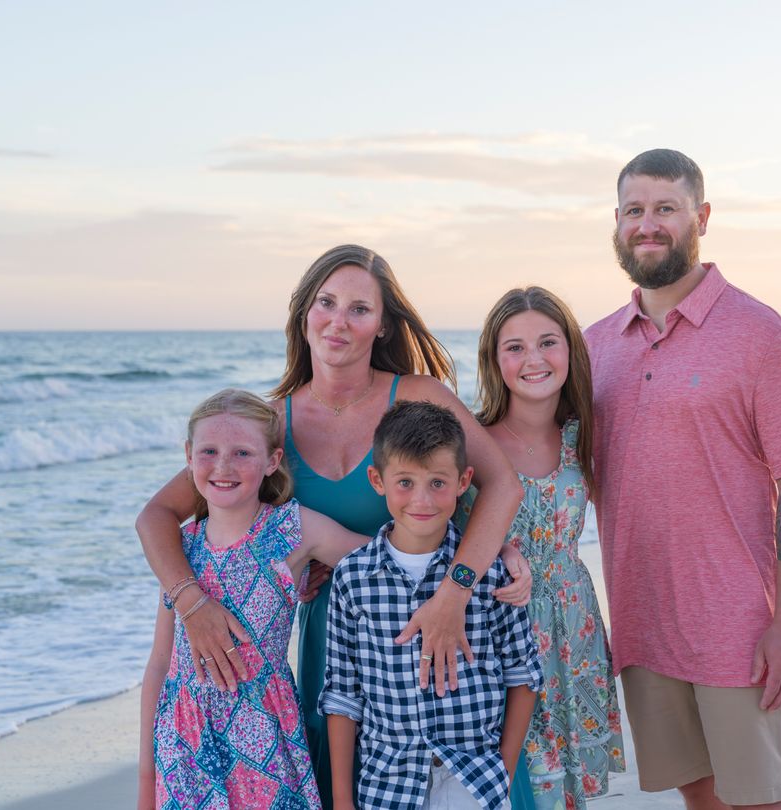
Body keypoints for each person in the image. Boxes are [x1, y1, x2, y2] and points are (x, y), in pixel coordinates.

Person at [136, 245, 530, 807]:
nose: (338, 321)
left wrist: (464, 580)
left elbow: (500, 486)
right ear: (304, 313)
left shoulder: (417, 396)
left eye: (359, 309)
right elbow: (156, 516)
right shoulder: (268, 426)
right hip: (333, 644)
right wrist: (192, 604)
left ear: (383, 325)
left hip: (431, 621)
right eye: (326, 303)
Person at [585, 149, 781, 810]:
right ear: (616, 221)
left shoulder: (758, 332)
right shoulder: (593, 346)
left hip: (736, 624)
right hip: (641, 619)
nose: (648, 224)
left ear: (700, 218)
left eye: (665, 209)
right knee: (699, 796)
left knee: (762, 800)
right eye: (634, 210)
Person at [139, 389, 364, 808]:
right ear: (188, 456)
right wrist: (146, 782)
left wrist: (478, 562)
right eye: (209, 451)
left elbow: (386, 562)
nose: (223, 466)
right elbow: (159, 664)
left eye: (242, 453)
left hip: (265, 738)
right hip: (183, 747)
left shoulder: (294, 529)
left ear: (272, 461)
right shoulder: (180, 549)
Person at [321, 400, 543, 809]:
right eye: (405, 482)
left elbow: (523, 673)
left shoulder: (488, 572)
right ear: (377, 480)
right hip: (388, 782)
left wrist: (503, 775)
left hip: (473, 780)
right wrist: (341, 800)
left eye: (437, 482)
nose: (421, 500)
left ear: (463, 481)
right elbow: (342, 693)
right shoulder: (353, 578)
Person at [461, 287, 625, 808]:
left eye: (547, 342)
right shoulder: (472, 443)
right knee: (509, 782)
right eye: (515, 347)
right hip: (498, 628)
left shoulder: (587, 436)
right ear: (494, 360)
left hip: (572, 624)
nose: (533, 359)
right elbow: (431, 527)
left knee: (565, 790)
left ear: (570, 350)